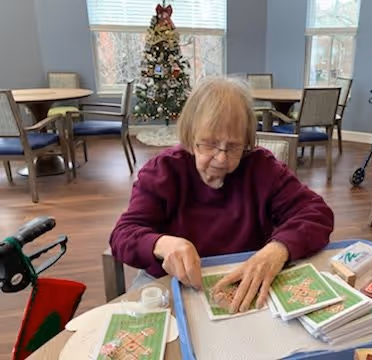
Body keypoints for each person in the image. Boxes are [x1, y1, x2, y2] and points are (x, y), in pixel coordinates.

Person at [109, 76, 334, 313]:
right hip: (173, 284)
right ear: (190, 135)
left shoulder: (262, 168)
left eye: (234, 146)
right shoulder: (163, 171)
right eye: (208, 144)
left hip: (243, 283)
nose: (221, 158)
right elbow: (123, 235)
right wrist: (161, 243)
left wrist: (278, 249)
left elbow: (317, 214)